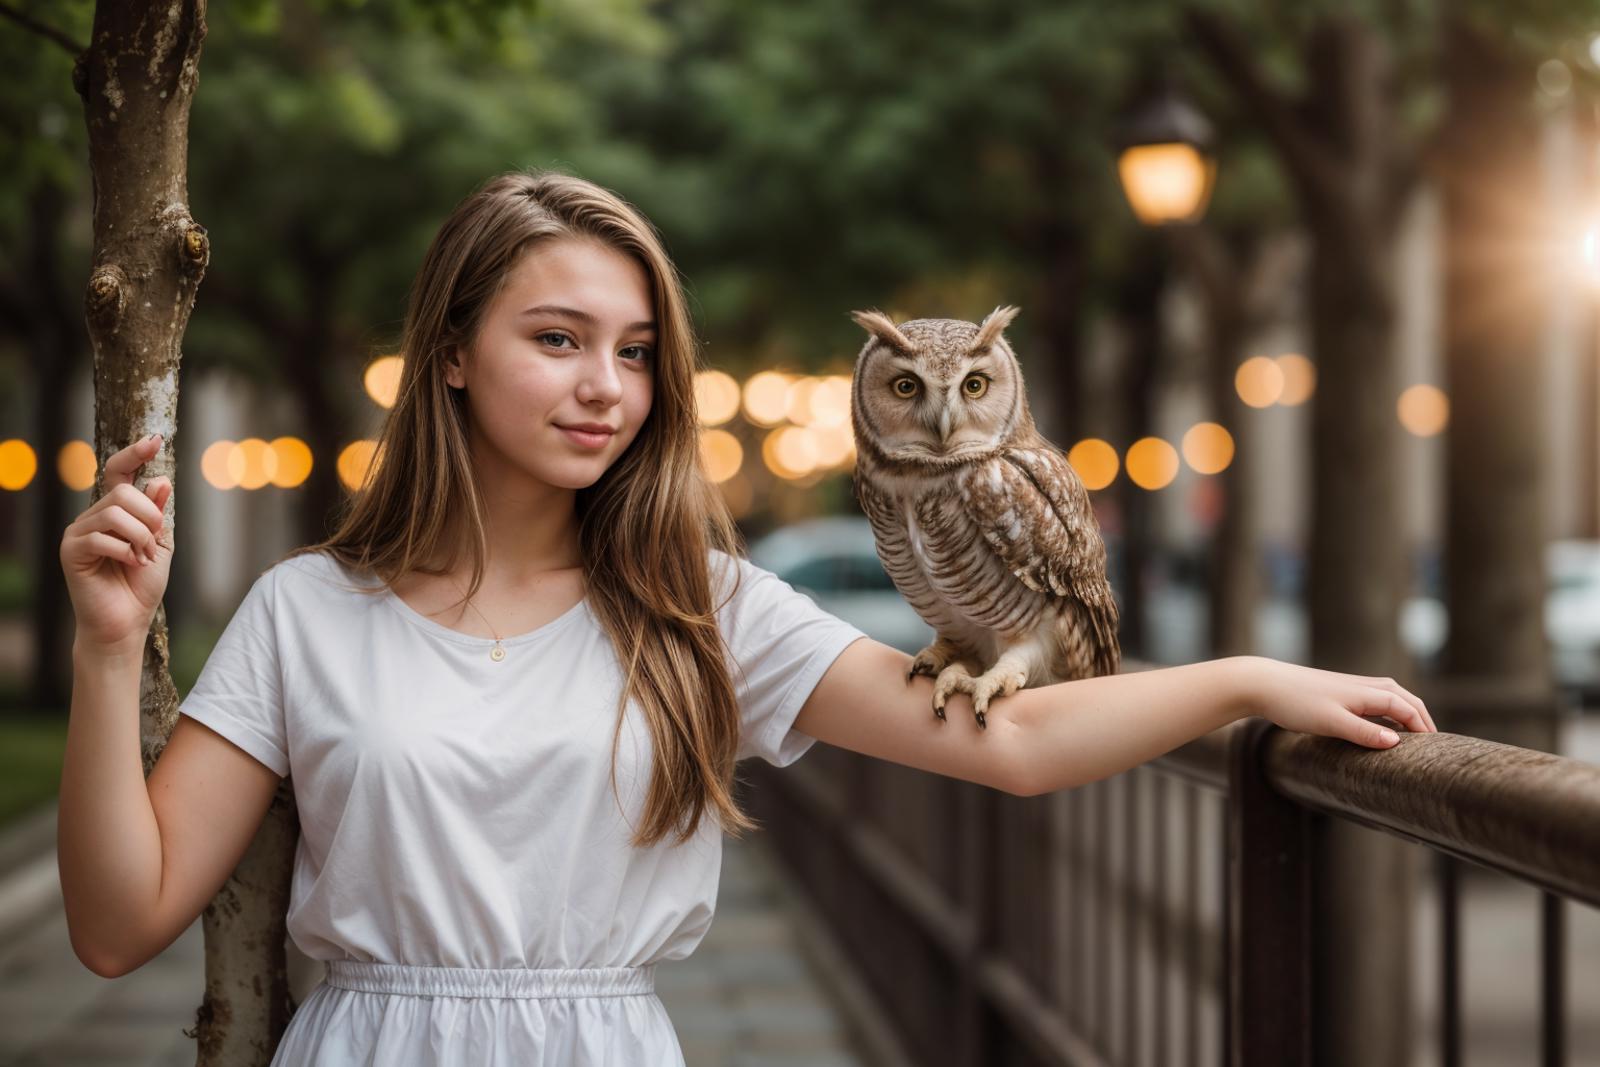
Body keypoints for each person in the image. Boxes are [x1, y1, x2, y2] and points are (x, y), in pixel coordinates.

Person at [56, 169, 1436, 1065]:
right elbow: (119, 925)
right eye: (557, 339)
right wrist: (113, 645)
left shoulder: (700, 609)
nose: (607, 384)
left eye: (637, 352)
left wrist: (1249, 678)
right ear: (451, 357)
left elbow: (1011, 746)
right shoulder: (312, 611)